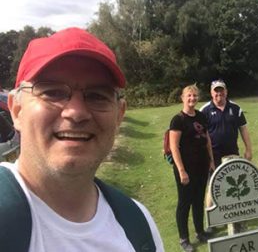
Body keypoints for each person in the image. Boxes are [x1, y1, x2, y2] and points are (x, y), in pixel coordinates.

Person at [0, 27, 164, 251]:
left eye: (97, 96)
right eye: (52, 92)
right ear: (17, 110)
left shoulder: (138, 224)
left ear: (119, 115)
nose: (76, 112)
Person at [200, 79, 252, 233]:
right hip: (213, 155)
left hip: (232, 154)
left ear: (226, 91)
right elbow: (202, 135)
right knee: (212, 187)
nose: (218, 93)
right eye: (216, 90)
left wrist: (248, 149)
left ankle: (233, 217)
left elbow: (243, 129)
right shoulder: (205, 110)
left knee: (231, 186)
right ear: (211, 93)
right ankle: (210, 222)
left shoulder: (235, 108)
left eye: (221, 90)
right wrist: (206, 157)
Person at [169, 84, 215, 252]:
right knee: (184, 203)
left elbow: (207, 139)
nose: (192, 99)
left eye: (194, 96)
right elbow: (174, 147)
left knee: (198, 200)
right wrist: (181, 170)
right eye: (189, 96)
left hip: (202, 165)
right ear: (183, 98)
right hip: (186, 169)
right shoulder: (178, 120)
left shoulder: (202, 116)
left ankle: (200, 232)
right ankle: (184, 239)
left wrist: (211, 160)